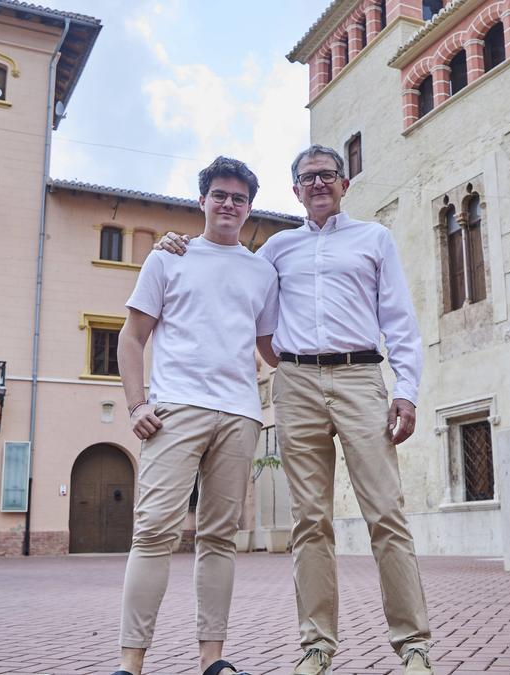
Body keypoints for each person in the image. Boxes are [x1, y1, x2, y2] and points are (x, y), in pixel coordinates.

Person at [158, 145, 434, 675]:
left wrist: (407, 390)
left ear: (344, 183)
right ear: (295, 190)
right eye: (307, 178)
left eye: (327, 175)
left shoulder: (374, 239)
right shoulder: (277, 249)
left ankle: (413, 643)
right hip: (297, 382)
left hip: (359, 376)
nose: (318, 184)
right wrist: (179, 245)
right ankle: (317, 646)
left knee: (386, 513)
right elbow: (229, 273)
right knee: (310, 521)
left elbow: (399, 319)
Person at [113, 156, 278, 675]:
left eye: (239, 198)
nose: (229, 204)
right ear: (202, 200)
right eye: (220, 195)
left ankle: (212, 660)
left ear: (248, 208)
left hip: (240, 414)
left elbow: (271, 348)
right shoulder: (168, 258)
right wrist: (137, 404)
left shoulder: (262, 270)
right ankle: (130, 663)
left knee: (218, 539)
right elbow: (131, 337)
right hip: (175, 410)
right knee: (153, 532)